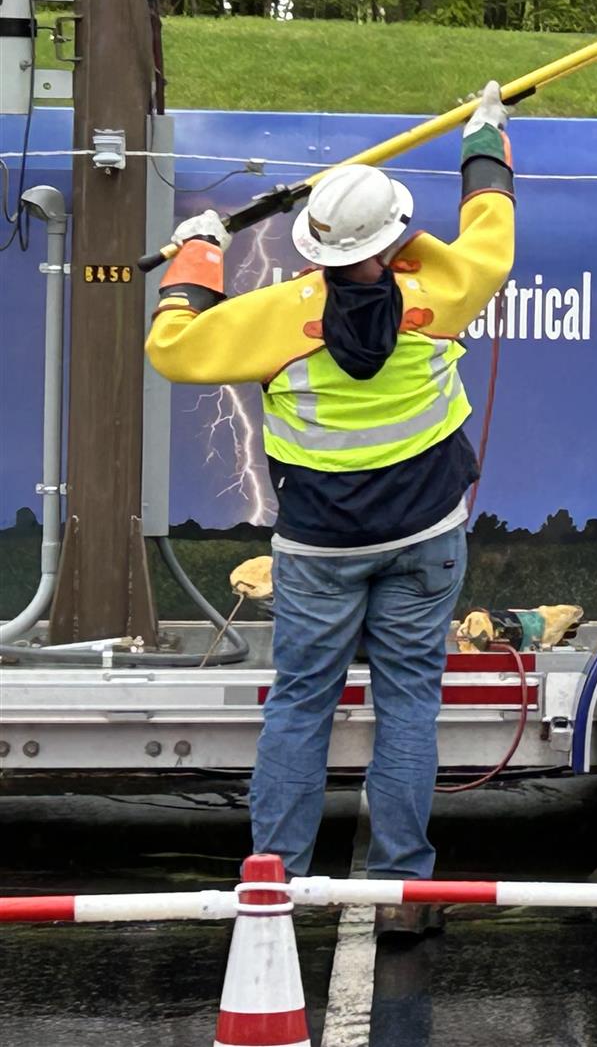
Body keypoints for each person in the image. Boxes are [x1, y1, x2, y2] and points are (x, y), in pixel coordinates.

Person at [147, 82, 515, 932]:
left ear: (314, 245)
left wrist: (199, 251)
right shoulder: (447, 291)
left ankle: (272, 887)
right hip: (426, 538)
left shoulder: (280, 316)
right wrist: (483, 134)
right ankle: (401, 894)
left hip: (318, 552)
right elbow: (490, 226)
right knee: (410, 705)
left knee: (301, 704)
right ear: (397, 239)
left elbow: (174, 343)